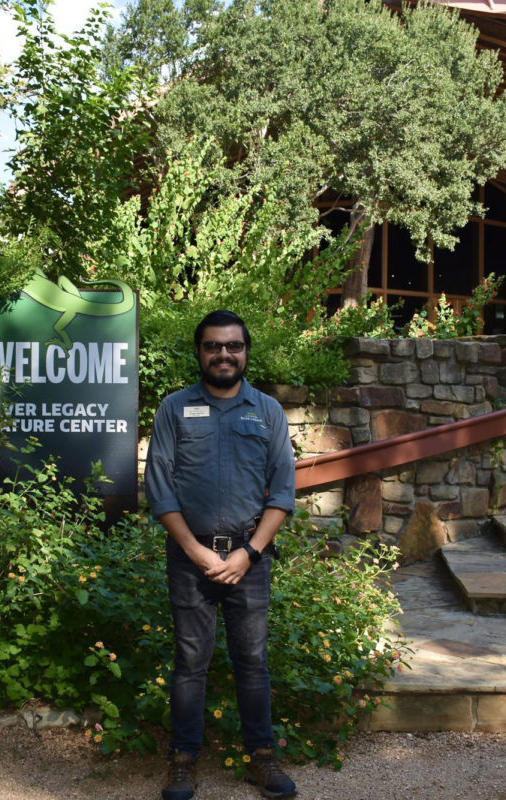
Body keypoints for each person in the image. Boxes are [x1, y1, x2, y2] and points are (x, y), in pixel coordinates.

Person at [144, 310, 298, 800]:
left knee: (252, 660)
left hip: (249, 562)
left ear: (246, 351)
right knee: (191, 661)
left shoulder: (267, 411)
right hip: (190, 561)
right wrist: (194, 551)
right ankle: (183, 761)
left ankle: (263, 759)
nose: (224, 354)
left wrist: (248, 554)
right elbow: (159, 488)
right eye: (214, 346)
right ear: (199, 352)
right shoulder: (173, 408)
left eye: (233, 345)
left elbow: (283, 494)